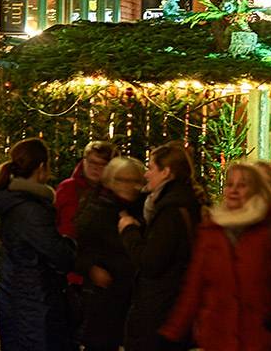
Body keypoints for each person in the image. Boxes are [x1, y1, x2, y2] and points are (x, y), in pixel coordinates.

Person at [160, 163, 271, 351]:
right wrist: (173, 332)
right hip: (217, 338)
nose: (233, 190)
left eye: (242, 185)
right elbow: (194, 286)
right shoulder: (211, 230)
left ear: (256, 190)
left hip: (261, 336)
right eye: (229, 184)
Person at [0, 138, 75, 351]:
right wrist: (71, 245)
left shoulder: (16, 202)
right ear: (42, 167)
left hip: (19, 297)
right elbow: (58, 253)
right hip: (34, 302)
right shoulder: (30, 210)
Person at [118, 142, 205, 351]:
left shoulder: (171, 211)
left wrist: (129, 231)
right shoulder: (185, 202)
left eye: (150, 168)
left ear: (166, 172)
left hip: (162, 307)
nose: (146, 175)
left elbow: (150, 262)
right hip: (172, 303)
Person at [74, 156, 145, 351]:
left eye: (134, 180)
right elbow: (79, 248)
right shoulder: (97, 207)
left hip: (130, 289)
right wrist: (92, 268)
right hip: (104, 291)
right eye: (122, 179)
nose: (129, 186)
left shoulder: (141, 208)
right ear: (111, 180)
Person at [55, 139, 117, 338]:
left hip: (99, 275)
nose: (95, 168)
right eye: (91, 162)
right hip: (69, 274)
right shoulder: (67, 189)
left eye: (101, 164)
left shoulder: (113, 194)